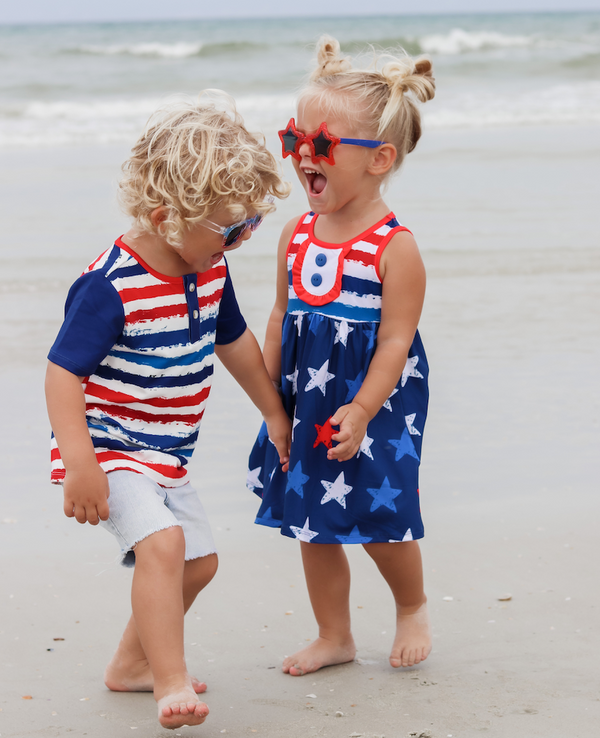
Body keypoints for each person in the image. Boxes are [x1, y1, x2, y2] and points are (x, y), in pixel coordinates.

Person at [45, 93, 292, 729]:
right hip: (108, 448)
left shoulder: (207, 267)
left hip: (165, 452)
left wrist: (273, 412)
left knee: (199, 563)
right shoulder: (111, 285)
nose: (237, 243)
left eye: (249, 229)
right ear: (166, 217)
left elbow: (233, 342)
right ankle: (170, 681)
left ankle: (130, 664)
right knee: (163, 544)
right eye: (229, 230)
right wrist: (80, 463)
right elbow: (61, 372)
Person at [247, 36, 435, 677]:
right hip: (308, 398)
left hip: (375, 401)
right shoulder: (295, 234)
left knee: (379, 515)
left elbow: (395, 342)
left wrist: (359, 408)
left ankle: (411, 606)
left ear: (380, 159)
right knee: (312, 520)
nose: (303, 156)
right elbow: (280, 316)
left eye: (320, 145)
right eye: (294, 139)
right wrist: (274, 402)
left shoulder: (394, 248)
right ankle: (335, 634)